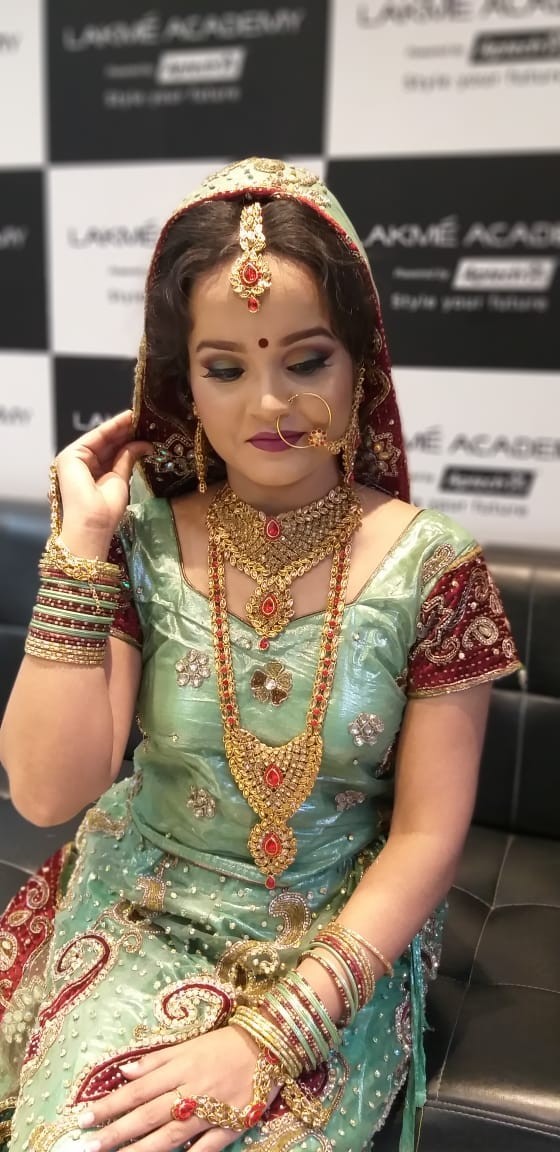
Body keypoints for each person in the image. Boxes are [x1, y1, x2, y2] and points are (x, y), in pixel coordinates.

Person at [0, 158, 520, 1152]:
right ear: (184, 384)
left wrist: (270, 1036)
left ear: (360, 365)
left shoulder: (432, 568)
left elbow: (423, 838)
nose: (269, 403)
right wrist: (80, 553)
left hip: (336, 938)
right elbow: (46, 792)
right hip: (143, 909)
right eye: (226, 368)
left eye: (306, 360)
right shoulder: (145, 540)